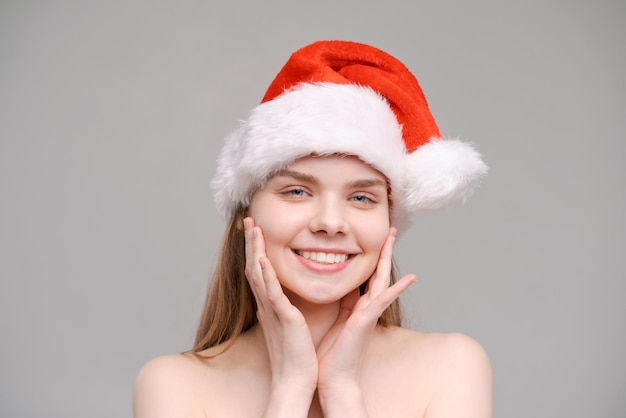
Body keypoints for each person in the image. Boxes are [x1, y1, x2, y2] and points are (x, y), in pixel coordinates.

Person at [133, 40, 492, 418]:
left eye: (362, 198)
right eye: (297, 191)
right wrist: (291, 389)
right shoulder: (173, 384)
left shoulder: (451, 367)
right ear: (246, 215)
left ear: (389, 223)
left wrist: (341, 392)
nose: (330, 223)